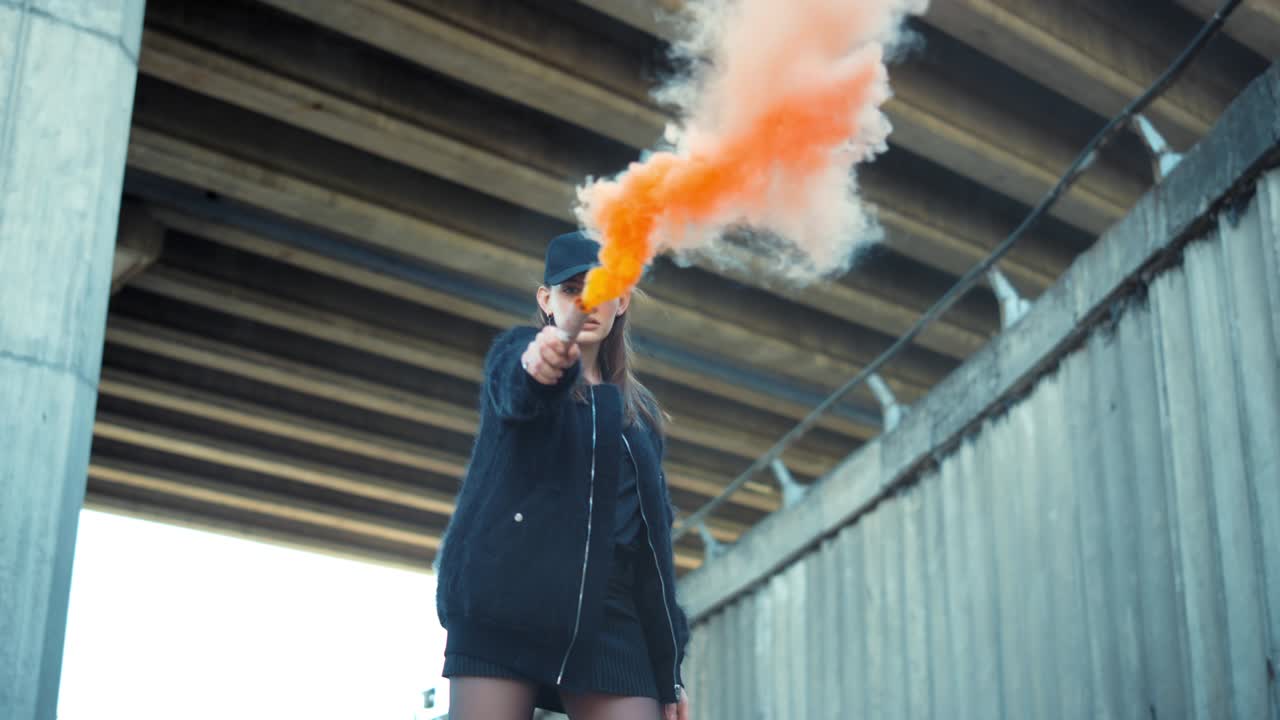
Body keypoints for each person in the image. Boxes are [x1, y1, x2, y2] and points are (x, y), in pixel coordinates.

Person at [435, 231, 692, 720]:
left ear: (622, 300)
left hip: (609, 618)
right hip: (506, 600)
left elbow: (652, 551)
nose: (586, 302)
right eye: (572, 290)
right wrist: (543, 360)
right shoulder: (516, 354)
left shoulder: (640, 417)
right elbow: (520, 388)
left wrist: (669, 670)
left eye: (600, 289)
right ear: (546, 300)